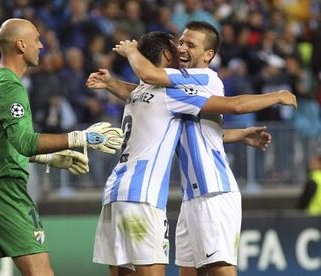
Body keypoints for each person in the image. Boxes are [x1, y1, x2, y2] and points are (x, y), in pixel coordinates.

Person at [88, 23, 296, 276]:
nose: (182, 48)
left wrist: (278, 95)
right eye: (180, 43)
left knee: (220, 270)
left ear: (208, 55)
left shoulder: (204, 77)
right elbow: (159, 100)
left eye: (190, 44)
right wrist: (236, 135)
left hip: (214, 191)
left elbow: (235, 105)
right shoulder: (172, 92)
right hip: (189, 198)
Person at [0, 18, 124, 276]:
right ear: (21, 45)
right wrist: (82, 137)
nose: (41, 46)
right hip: (2, 188)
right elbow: (25, 142)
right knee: (40, 271)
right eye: (36, 40)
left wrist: (48, 158)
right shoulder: (10, 85)